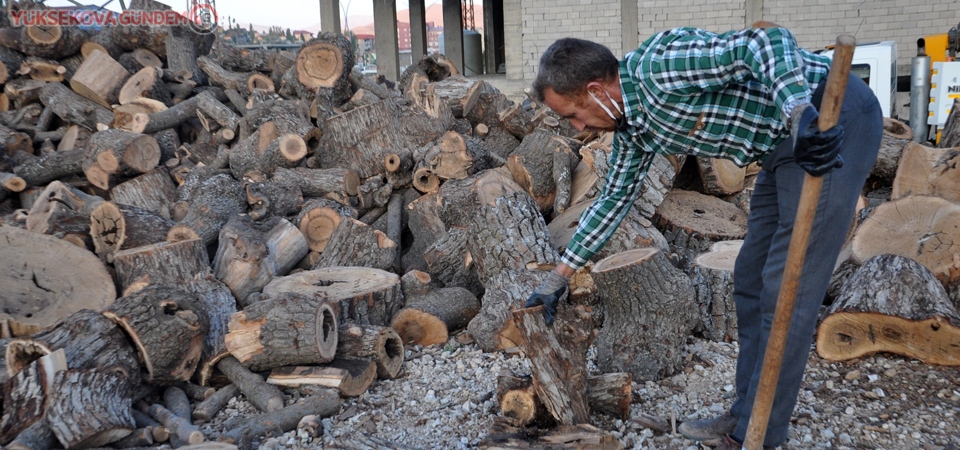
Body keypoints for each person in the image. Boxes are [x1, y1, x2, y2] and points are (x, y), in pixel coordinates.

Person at [523, 25, 882, 449]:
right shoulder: (634, 129)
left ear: (596, 89)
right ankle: (745, 413)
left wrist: (801, 112)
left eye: (573, 114)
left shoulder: (660, 69)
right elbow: (612, 200)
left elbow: (763, 43)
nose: (578, 126)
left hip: (829, 115)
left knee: (789, 286)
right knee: (750, 277)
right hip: (779, 145)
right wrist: (557, 279)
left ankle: (759, 432)